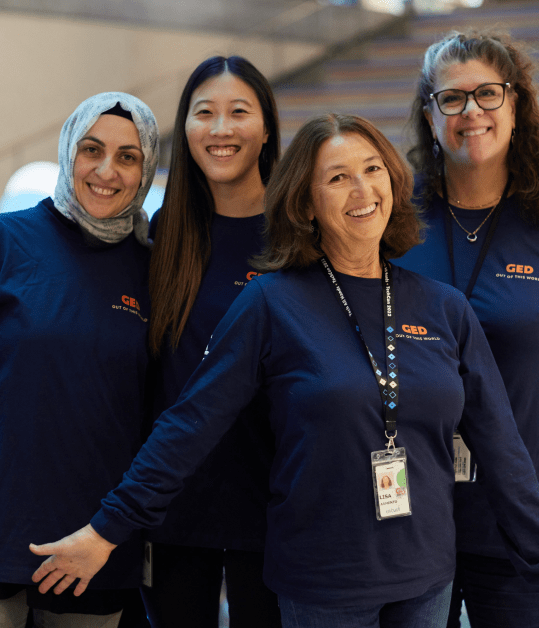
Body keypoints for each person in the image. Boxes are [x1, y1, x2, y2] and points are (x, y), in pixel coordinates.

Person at [28, 113, 539, 628]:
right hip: (322, 579)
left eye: (373, 168)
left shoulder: (443, 306)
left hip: (426, 576)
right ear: (305, 203)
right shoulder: (271, 304)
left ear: (394, 182)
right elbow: (189, 426)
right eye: (337, 177)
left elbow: (502, 449)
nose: (362, 189)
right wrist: (109, 529)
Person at [391, 29, 539, 628]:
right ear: (431, 118)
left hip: (529, 529)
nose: (471, 112)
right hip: (410, 522)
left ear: (515, 108)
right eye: (451, 99)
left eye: (488, 94)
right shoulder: (397, 225)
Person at [0, 92, 158, 628]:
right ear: (69, 151)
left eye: (128, 156)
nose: (106, 170)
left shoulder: (155, 269)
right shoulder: (9, 240)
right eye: (92, 149)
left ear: (147, 168)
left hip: (95, 543)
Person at [140, 56, 281, 628]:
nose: (221, 129)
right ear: (186, 127)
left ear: (266, 127)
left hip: (274, 504)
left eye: (238, 112)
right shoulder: (160, 233)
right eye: (205, 113)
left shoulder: (298, 235)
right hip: (174, 505)